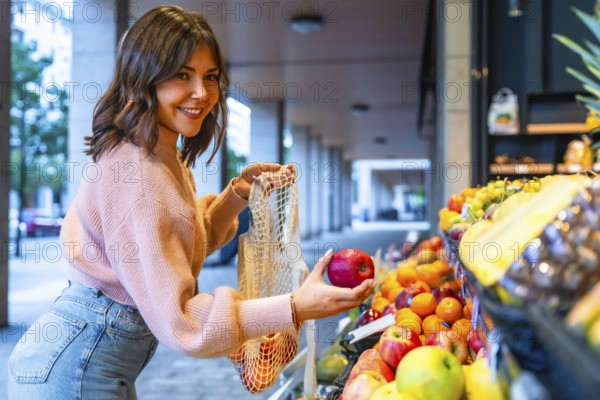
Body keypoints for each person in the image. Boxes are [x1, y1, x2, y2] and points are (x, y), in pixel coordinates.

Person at [7, 5, 374, 399]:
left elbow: (175, 243)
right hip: (76, 367)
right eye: (183, 75)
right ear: (144, 76)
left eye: (210, 77)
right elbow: (183, 323)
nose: (202, 93)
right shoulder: (138, 172)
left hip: (85, 357)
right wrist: (293, 307)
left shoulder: (156, 151)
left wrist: (236, 196)